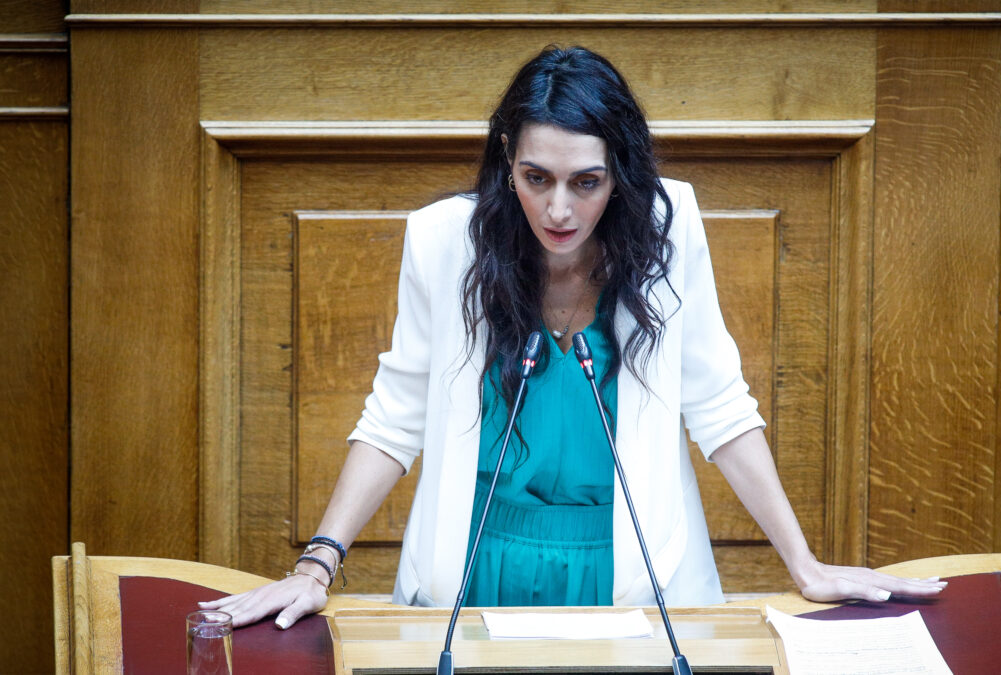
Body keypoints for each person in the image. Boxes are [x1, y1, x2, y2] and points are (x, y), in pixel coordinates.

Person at [202, 45, 946, 630]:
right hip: (476, 571)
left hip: (632, 577)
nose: (558, 209)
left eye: (586, 182)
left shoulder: (668, 233)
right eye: (537, 178)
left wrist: (805, 565)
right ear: (506, 159)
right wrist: (317, 565)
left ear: (620, 173)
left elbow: (720, 406)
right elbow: (393, 418)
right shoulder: (443, 242)